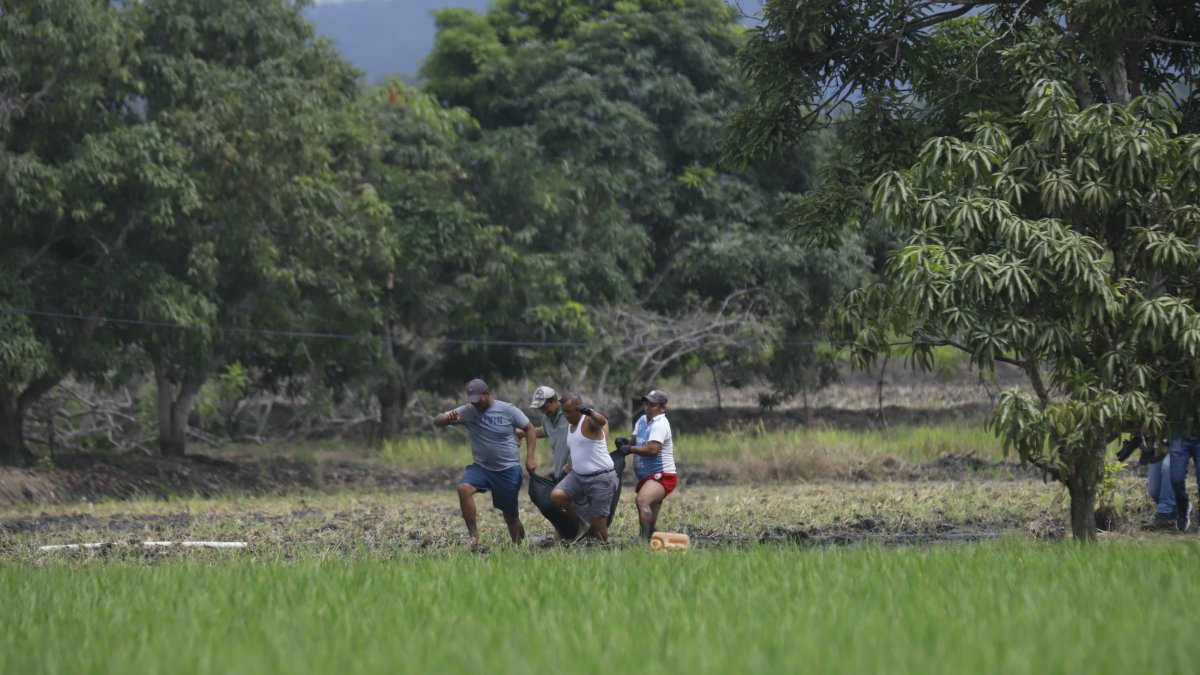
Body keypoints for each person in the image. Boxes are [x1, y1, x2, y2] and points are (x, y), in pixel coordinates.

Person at [433, 378, 537, 547]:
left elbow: (530, 429)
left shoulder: (508, 410)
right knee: (463, 489)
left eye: (478, 400)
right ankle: (474, 537)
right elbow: (437, 421)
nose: (475, 405)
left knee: (510, 516)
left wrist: (530, 456)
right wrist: (447, 419)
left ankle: (519, 548)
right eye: (471, 401)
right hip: (482, 467)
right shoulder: (467, 411)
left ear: (487, 394)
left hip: (508, 469)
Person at [550, 393, 617, 542]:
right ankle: (582, 522)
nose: (565, 415)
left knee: (599, 527)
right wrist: (566, 469)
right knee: (557, 496)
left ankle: (604, 550)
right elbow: (578, 451)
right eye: (563, 411)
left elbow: (601, 421)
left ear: (578, 409)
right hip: (578, 476)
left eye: (568, 411)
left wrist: (591, 413)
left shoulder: (588, 422)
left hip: (600, 476)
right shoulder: (569, 425)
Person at [617, 389, 677, 540]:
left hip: (662, 475)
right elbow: (634, 440)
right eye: (646, 403)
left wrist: (630, 449)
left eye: (653, 405)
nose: (648, 407)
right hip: (648, 477)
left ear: (662, 408)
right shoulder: (643, 420)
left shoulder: (660, 424)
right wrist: (625, 442)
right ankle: (653, 540)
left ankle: (642, 542)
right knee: (651, 523)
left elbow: (652, 449)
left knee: (642, 501)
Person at [529, 386, 571, 481]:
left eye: (545, 407)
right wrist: (523, 432)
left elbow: (601, 421)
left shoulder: (569, 412)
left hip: (576, 470)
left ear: (554, 400)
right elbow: (544, 431)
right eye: (540, 409)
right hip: (561, 472)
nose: (543, 412)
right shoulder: (546, 419)